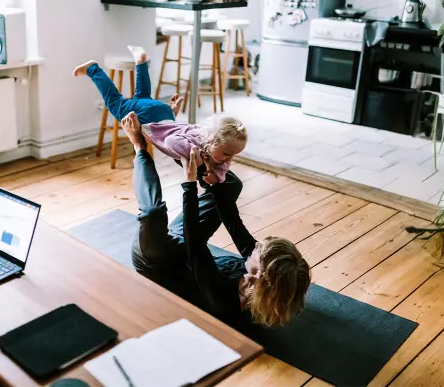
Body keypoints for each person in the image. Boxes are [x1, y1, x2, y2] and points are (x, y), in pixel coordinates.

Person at [120, 111, 311, 333]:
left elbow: (196, 244)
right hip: (186, 246)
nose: (256, 246)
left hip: (158, 261)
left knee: (153, 213)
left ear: (261, 274)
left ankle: (139, 148)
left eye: (259, 251)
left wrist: (190, 184)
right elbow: (232, 221)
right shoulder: (268, 277)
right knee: (230, 186)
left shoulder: (224, 299)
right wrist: (211, 182)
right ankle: (192, 150)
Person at [74, 46, 258, 249]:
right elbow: (171, 142)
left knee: (141, 97)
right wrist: (192, 156)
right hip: (150, 121)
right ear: (213, 143)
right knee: (115, 103)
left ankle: (141, 62)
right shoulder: (196, 146)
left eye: (232, 155)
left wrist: (218, 177)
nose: (228, 159)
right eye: (226, 154)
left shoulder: (214, 143)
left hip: (165, 115)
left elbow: (222, 168)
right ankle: (93, 69)